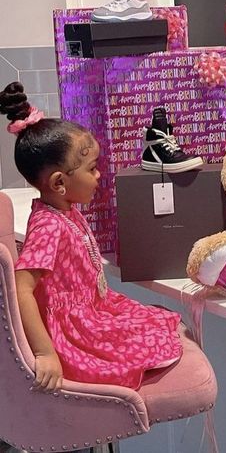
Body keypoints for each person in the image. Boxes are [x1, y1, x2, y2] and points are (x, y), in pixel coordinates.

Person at [0, 82, 182, 391]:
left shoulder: (65, 209)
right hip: (76, 330)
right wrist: (45, 352)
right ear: (59, 182)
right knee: (139, 347)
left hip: (93, 309)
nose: (98, 176)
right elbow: (22, 288)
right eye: (92, 168)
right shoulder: (48, 226)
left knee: (156, 323)